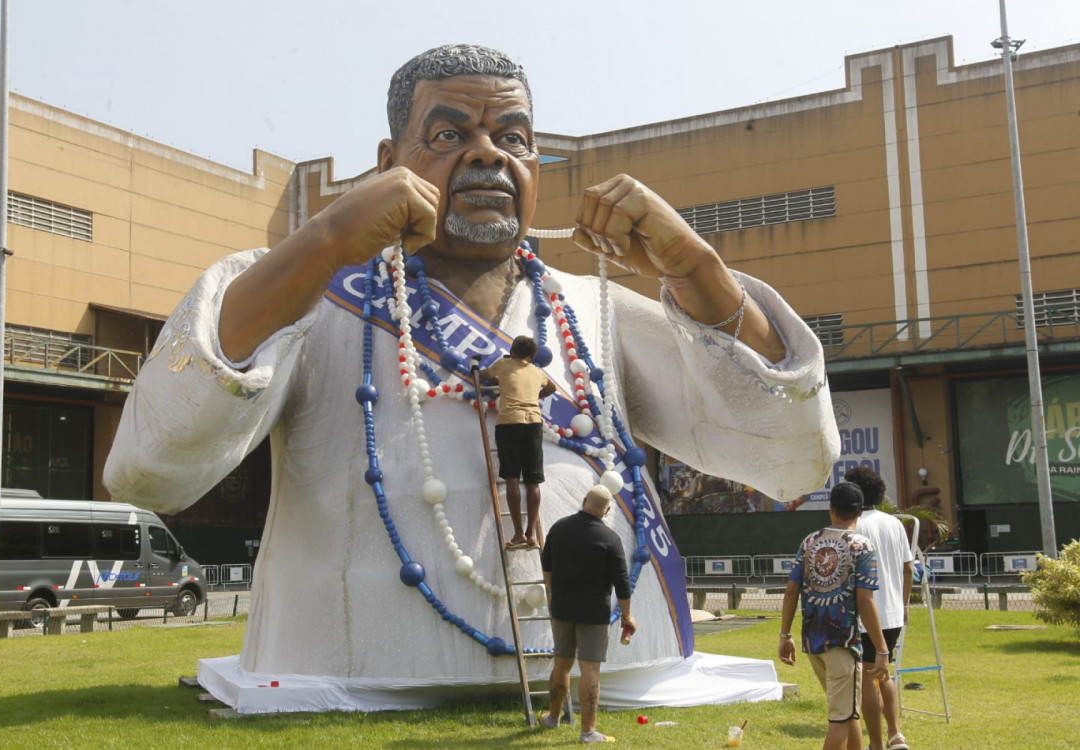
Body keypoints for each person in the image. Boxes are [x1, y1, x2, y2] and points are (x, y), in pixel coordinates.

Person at [105, 43, 838, 709]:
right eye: (452, 134)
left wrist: (700, 273)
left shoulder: (594, 308)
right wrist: (323, 241)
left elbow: (793, 456)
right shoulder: (312, 294)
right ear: (391, 158)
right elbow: (150, 470)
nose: (489, 155)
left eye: (513, 138)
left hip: (624, 663)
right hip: (348, 667)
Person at [779, 482, 889, 750]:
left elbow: (791, 590)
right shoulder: (862, 546)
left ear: (831, 509)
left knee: (847, 711)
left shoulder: (809, 541)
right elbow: (864, 601)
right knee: (840, 720)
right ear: (860, 512)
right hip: (843, 643)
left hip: (813, 641)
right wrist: (883, 649)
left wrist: (785, 635)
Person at [539, 484, 636, 744]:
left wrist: (551, 593)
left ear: (584, 501)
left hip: (561, 607)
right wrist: (627, 616)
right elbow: (623, 584)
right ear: (606, 511)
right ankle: (588, 732)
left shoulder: (558, 528)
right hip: (594, 612)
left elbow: (546, 564)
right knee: (590, 668)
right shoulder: (610, 539)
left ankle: (553, 718)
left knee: (561, 663)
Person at [847, 466, 914, 750]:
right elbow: (908, 568)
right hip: (893, 612)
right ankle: (895, 734)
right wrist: (905, 603)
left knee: (866, 674)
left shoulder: (853, 525)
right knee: (885, 671)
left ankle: (875, 742)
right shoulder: (894, 523)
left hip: (865, 613)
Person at [479, 335, 556, 549]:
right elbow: (552, 388)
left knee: (512, 477)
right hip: (534, 423)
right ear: (531, 355)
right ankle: (532, 534)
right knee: (533, 480)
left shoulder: (503, 364)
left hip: (509, 423)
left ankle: (518, 534)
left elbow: (483, 376)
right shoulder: (536, 371)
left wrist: (480, 370)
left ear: (512, 351)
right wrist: (533, 397)